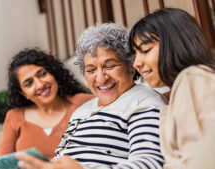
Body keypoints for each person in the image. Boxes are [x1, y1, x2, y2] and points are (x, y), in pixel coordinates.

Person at [16, 23, 168, 169]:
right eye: (90, 70)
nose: (101, 78)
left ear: (130, 66)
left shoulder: (143, 102)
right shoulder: (81, 111)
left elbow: (149, 163)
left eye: (110, 66)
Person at [129, 8, 215, 168]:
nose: (136, 63)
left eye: (146, 50)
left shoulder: (192, 79)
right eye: (135, 54)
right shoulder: (181, 89)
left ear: (175, 44)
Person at [0, 49, 93, 158]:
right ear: (24, 94)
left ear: (53, 73)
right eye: (29, 83)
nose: (40, 85)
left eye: (42, 74)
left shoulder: (83, 103)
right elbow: (1, 165)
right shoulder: (14, 116)